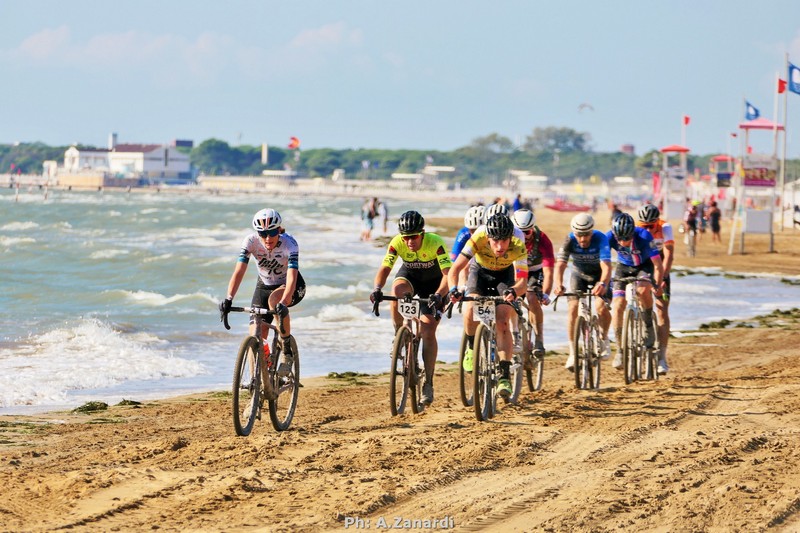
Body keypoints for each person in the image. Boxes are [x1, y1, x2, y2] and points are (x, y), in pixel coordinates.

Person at [370, 211, 451, 406]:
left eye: (413, 237)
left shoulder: (435, 242)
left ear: (422, 233)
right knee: (396, 292)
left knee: (428, 330)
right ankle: (399, 334)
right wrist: (377, 289)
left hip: (434, 285)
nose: (409, 242)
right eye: (405, 237)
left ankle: (428, 382)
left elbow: (448, 274)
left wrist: (439, 294)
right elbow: (385, 268)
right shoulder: (397, 242)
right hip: (410, 277)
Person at [447, 214, 528, 399]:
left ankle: (504, 375)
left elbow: (523, 283)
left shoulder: (518, 244)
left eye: (504, 241)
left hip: (504, 276)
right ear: (488, 237)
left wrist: (514, 291)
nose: (500, 247)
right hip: (479, 273)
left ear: (511, 238)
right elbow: (455, 269)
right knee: (470, 309)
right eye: (495, 241)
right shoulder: (478, 238)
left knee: (503, 321)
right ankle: (471, 347)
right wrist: (453, 289)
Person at [219, 208, 305, 376]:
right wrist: (229, 298)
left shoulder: (290, 244)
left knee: (275, 301)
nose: (267, 238)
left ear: (278, 230)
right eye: (263, 233)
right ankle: (257, 380)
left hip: (290, 285)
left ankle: (287, 351)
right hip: (264, 286)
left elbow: (292, 277)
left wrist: (284, 302)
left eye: (272, 233)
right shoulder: (250, 242)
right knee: (256, 334)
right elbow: (239, 271)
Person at [553, 213, 612, 371]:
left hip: (599, 276)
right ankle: (573, 353)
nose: (583, 239)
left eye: (586, 235)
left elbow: (606, 266)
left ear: (592, 232)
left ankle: (604, 337)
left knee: (601, 307)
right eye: (579, 235)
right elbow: (560, 265)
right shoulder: (569, 239)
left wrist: (603, 283)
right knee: (573, 308)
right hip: (579, 276)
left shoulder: (600, 238)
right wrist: (558, 284)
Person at [607, 213, 664, 371]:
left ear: (633, 232)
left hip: (644, 266)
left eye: (626, 238)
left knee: (642, 291)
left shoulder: (644, 236)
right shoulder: (609, 237)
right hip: (623, 267)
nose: (623, 242)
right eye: (619, 238)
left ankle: (648, 324)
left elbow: (658, 265)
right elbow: (602, 261)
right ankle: (620, 349)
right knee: (617, 305)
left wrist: (657, 284)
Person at [511, 209, 555, 364]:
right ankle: (514, 334)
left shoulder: (542, 239)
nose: (523, 236)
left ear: (533, 229)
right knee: (510, 299)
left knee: (532, 297)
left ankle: (539, 338)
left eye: (527, 232)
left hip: (535, 272)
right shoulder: (508, 237)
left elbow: (549, 271)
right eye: (519, 232)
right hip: (515, 270)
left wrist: (546, 293)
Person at [636, 204, 674, 375]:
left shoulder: (665, 228)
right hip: (643, 266)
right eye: (644, 226)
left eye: (651, 226)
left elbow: (669, 255)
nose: (648, 230)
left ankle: (662, 357)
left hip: (661, 267)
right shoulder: (635, 228)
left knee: (661, 310)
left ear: (657, 222)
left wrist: (663, 277)